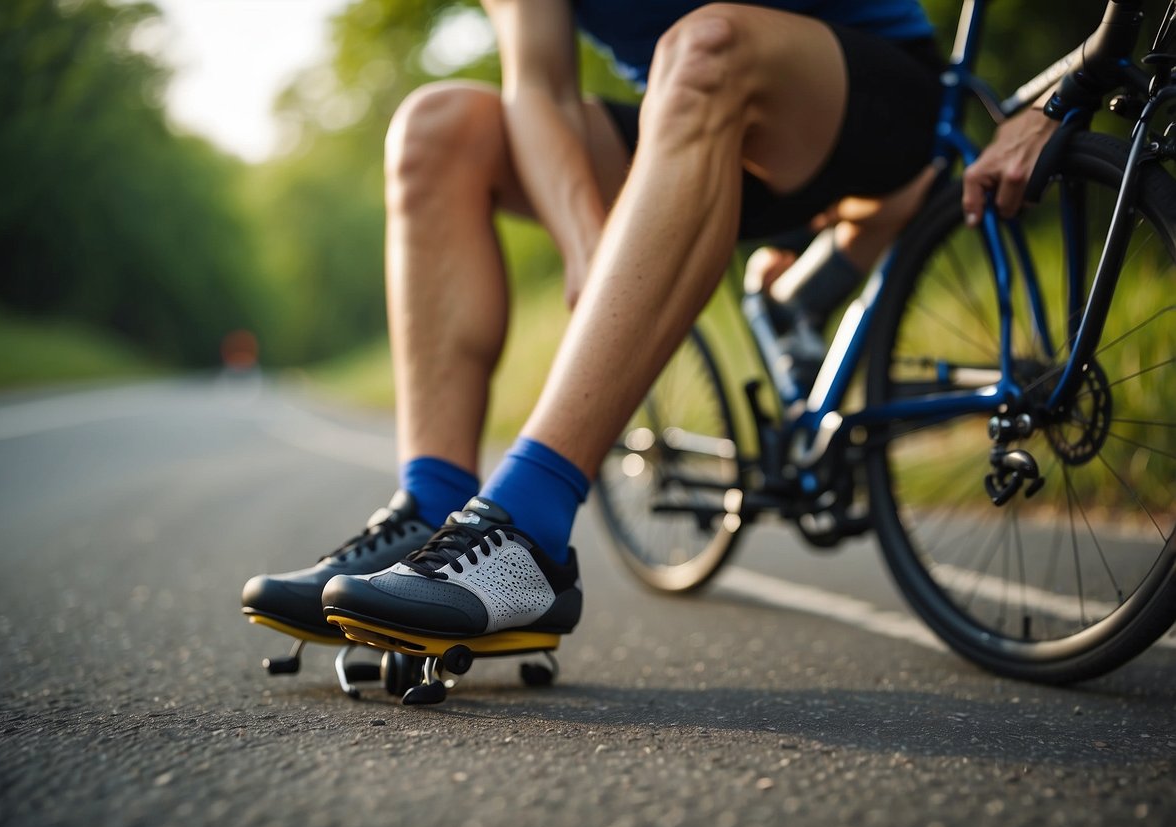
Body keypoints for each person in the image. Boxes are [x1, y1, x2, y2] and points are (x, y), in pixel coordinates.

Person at [243, 0, 1058, 659]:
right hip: (688, 129)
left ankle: (526, 536)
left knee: (703, 45)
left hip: (860, 107)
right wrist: (585, 241)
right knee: (437, 124)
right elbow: (539, 89)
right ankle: (433, 512)